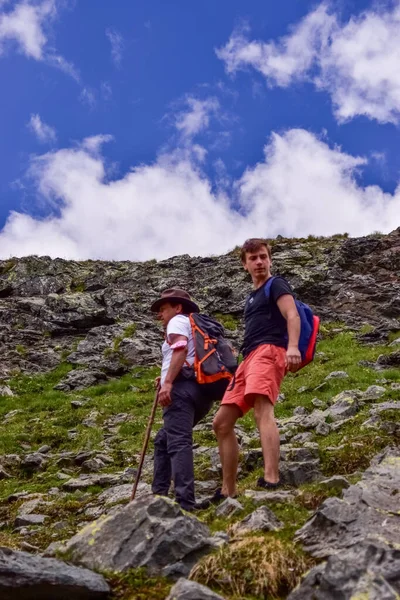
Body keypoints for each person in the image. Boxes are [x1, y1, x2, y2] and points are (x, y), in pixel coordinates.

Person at [212, 238, 301, 500]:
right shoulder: (251, 297)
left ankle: (271, 478)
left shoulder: (277, 284)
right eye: (253, 258)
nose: (259, 262)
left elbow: (292, 315)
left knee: (263, 409)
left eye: (263, 256)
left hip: (270, 351)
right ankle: (228, 491)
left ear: (270, 260)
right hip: (248, 359)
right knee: (221, 423)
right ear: (245, 265)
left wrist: (292, 347)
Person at [150, 288, 217, 511]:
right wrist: (166, 375)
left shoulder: (177, 321)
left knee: (178, 442)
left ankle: (185, 504)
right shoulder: (194, 326)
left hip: (182, 390)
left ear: (178, 307)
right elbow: (187, 355)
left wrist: (168, 382)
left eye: (163, 309)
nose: (160, 314)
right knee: (163, 439)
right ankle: (159, 495)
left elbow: (179, 349)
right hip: (202, 393)